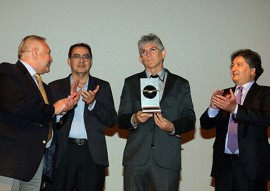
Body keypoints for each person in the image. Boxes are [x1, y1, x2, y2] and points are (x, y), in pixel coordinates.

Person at [118, 33, 196, 191]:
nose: (148, 54)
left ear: (163, 53)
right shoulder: (130, 82)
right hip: (136, 157)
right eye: (143, 52)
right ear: (140, 59)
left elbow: (189, 119)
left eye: (153, 49)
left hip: (166, 158)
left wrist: (171, 126)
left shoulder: (181, 84)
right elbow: (121, 119)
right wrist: (134, 118)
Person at [0, 35, 79, 191]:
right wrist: (55, 108)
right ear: (35, 52)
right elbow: (18, 106)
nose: (51, 58)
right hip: (11, 163)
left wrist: (63, 110)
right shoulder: (8, 71)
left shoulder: (44, 87)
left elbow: (43, 117)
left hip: (35, 164)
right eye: (48, 52)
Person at [45, 43, 117, 191]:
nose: (81, 60)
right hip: (62, 153)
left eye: (86, 57)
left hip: (91, 154)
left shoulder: (102, 87)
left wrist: (93, 103)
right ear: (69, 61)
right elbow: (46, 120)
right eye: (76, 56)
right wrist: (64, 109)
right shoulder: (55, 87)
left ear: (91, 61)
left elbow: (111, 120)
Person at [200, 49, 270, 191]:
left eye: (239, 64)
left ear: (252, 70)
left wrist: (235, 109)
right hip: (224, 165)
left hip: (252, 166)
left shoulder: (265, 93)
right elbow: (205, 125)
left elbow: (266, 118)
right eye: (232, 65)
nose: (233, 68)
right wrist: (213, 108)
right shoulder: (225, 94)